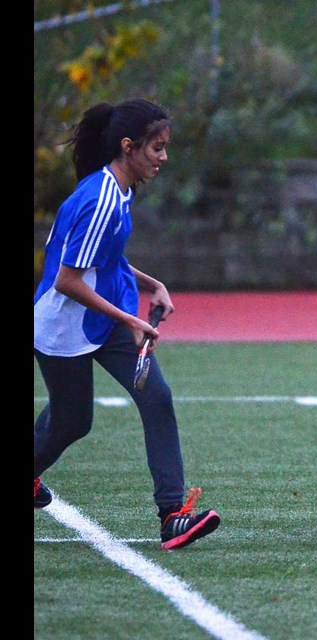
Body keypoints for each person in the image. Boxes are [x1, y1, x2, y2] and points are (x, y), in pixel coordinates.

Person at [34, 98, 220, 550]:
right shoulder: (98, 199)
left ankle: (173, 514)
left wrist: (151, 283)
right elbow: (67, 281)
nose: (163, 157)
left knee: (156, 398)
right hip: (65, 328)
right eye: (157, 148)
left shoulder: (121, 191)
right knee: (72, 422)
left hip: (102, 315)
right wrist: (132, 320)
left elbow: (107, 258)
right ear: (127, 147)